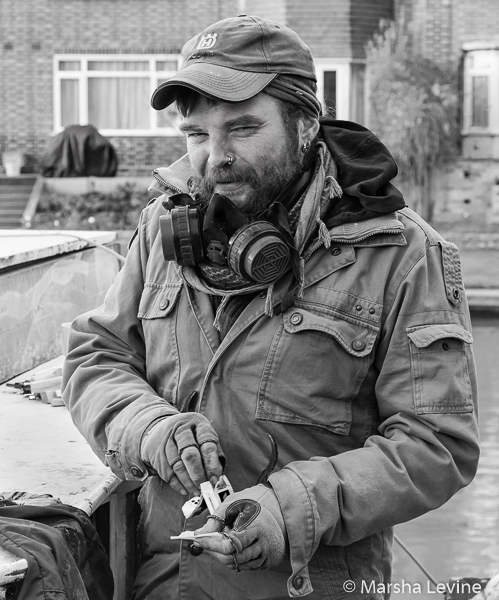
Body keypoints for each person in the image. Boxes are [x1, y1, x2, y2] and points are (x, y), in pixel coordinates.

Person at [62, 14, 480, 600]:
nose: (215, 158)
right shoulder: (162, 228)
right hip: (163, 581)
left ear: (307, 123)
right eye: (197, 135)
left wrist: (293, 509)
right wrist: (149, 428)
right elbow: (95, 356)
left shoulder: (407, 256)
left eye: (242, 128)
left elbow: (437, 445)